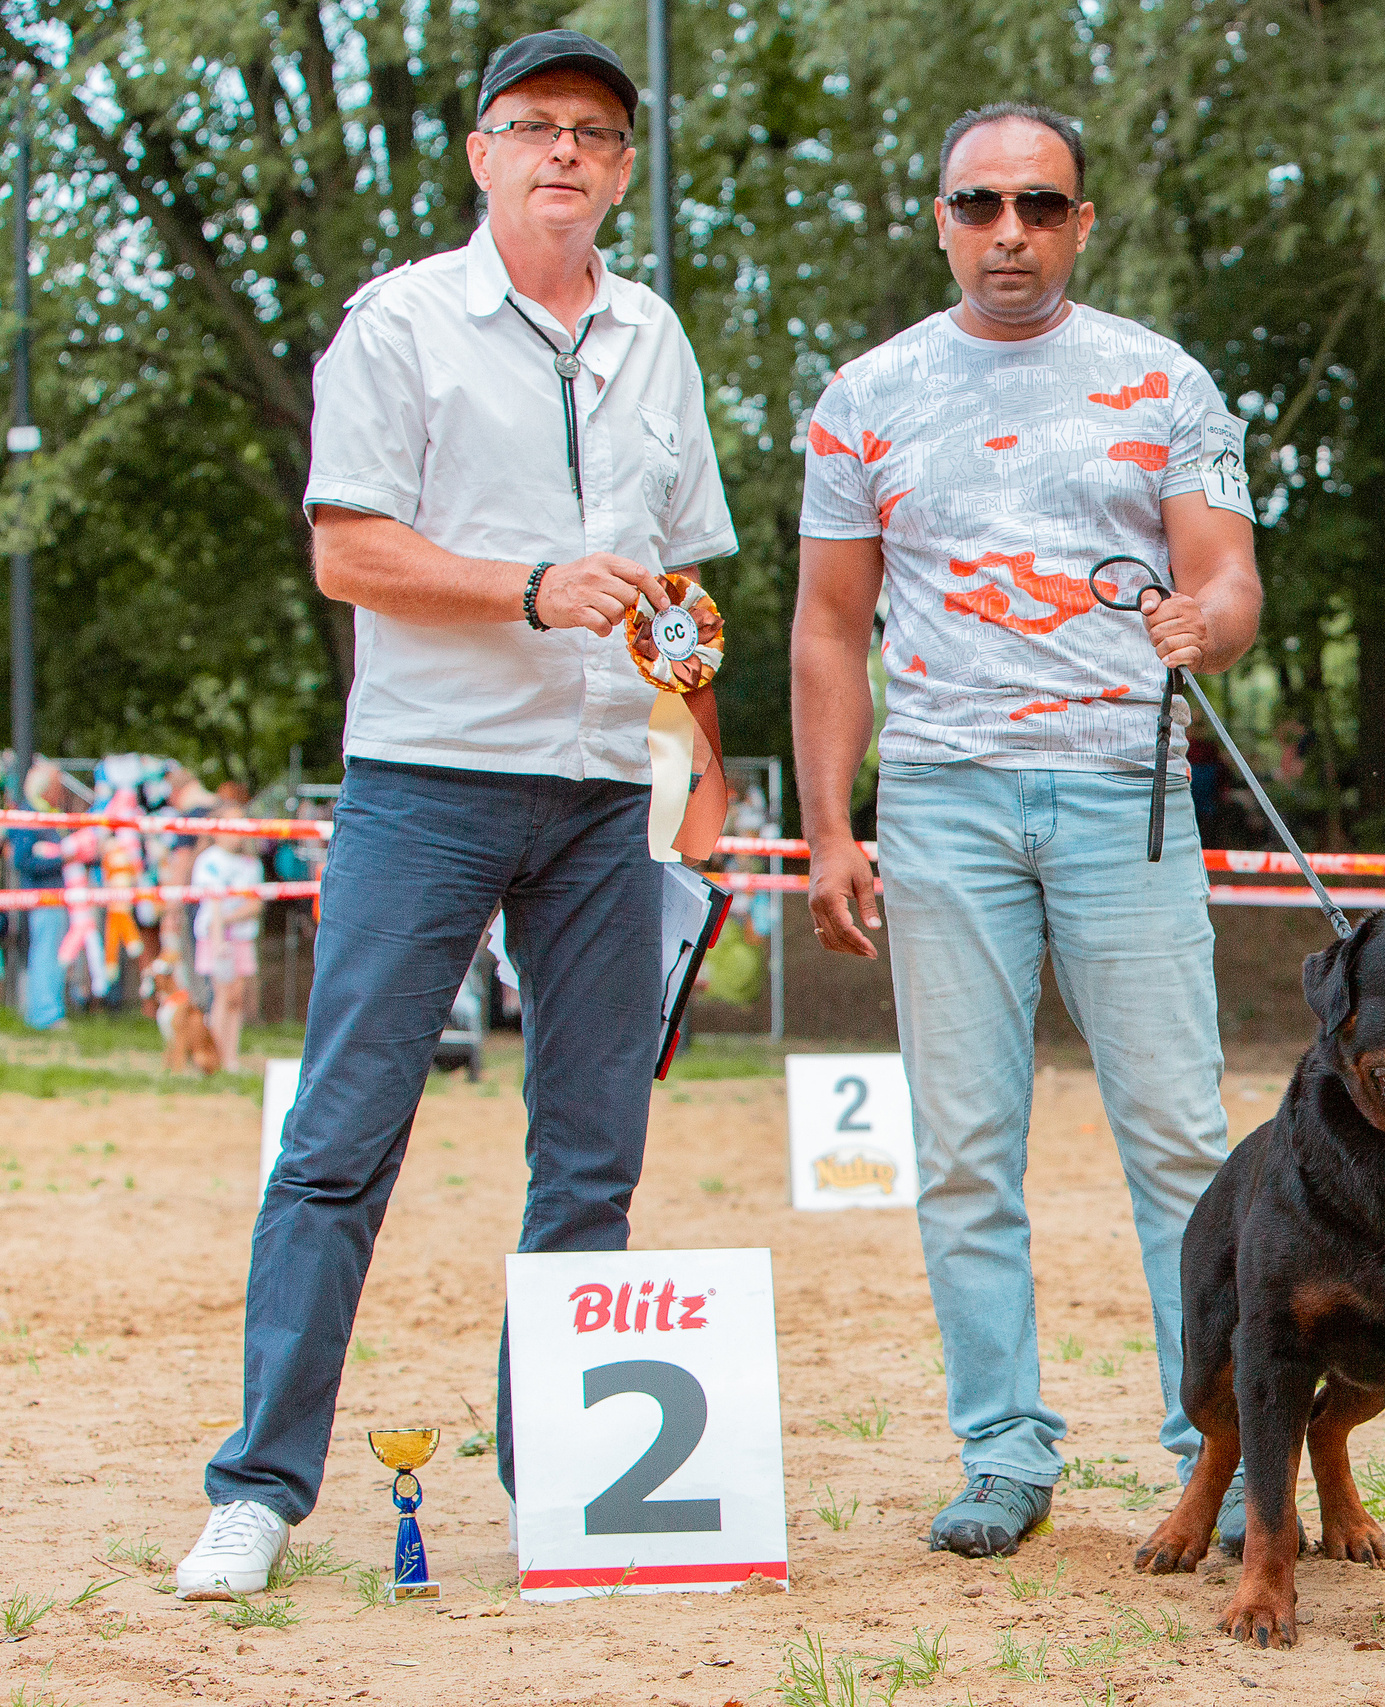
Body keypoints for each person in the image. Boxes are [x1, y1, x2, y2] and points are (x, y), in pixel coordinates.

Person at [178, 30, 737, 1597]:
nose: (566, 151)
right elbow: (348, 553)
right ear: (482, 153)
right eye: (534, 126)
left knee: (592, 1159)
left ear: (623, 171)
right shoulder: (398, 323)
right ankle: (259, 1487)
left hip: (607, 799)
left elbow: (683, 586)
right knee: (341, 1141)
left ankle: (562, 1483)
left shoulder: (657, 337)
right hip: (424, 783)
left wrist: (706, 764)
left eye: (596, 134)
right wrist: (528, 587)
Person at [793, 102, 1262, 1560]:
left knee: (1182, 1137)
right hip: (941, 799)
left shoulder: (1163, 379)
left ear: (1082, 222)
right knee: (962, 1151)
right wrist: (828, 827)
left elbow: (1232, 576)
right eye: (982, 203)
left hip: (1128, 789)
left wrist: (1213, 625)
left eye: (1041, 206)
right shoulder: (864, 395)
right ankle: (1003, 1446)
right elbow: (827, 621)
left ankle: (1224, 1449)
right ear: (939, 217)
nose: (1011, 230)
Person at [189, 826, 266, 1073]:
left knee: (236, 997)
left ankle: (231, 1057)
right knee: (222, 995)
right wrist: (219, 936)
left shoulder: (251, 864)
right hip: (216, 937)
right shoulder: (209, 860)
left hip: (241, 936)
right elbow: (213, 904)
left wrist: (230, 919)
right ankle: (214, 1055)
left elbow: (255, 905)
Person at [7, 759, 68, 1031]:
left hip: (53, 896)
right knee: (45, 954)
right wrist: (63, 859)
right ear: (45, 789)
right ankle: (45, 1014)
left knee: (48, 953)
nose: (61, 792)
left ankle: (44, 1011)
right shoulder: (29, 815)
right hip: (42, 896)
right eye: (57, 786)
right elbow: (21, 861)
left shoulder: (45, 814)